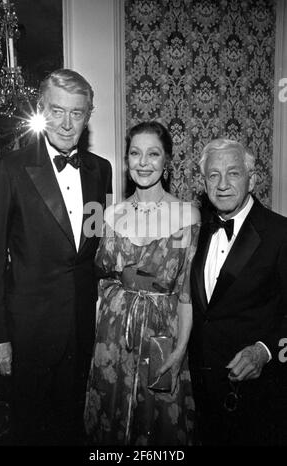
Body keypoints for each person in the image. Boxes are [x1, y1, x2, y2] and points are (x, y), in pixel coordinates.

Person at [0, 68, 112, 445]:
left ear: (88, 116)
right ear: (42, 109)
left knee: (73, 427)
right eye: (57, 111)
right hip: (29, 332)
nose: (66, 122)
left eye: (77, 113)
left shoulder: (100, 170)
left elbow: (93, 243)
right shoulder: (9, 167)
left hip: (80, 327)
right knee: (29, 431)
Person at [84, 121, 200, 445]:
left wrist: (179, 351)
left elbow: (187, 292)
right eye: (135, 153)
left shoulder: (188, 215)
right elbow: (100, 281)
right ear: (126, 160)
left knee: (159, 427)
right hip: (112, 335)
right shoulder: (107, 215)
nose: (143, 162)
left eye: (153, 154)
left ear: (167, 162)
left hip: (162, 333)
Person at [189, 138, 287, 446]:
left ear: (252, 179)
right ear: (202, 182)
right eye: (213, 175)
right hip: (200, 394)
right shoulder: (195, 230)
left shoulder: (280, 234)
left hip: (257, 397)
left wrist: (265, 350)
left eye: (233, 173)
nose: (222, 184)